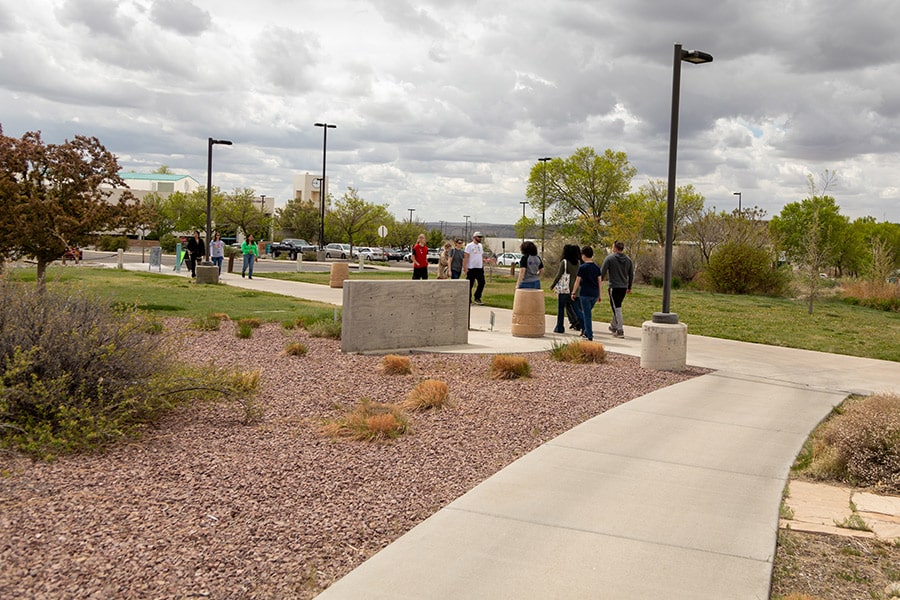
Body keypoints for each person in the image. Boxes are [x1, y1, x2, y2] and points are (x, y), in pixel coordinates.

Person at [600, 240, 635, 338]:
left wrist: (598, 283)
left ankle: (620, 330)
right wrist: (629, 287)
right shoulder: (628, 260)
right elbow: (631, 274)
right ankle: (613, 326)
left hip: (614, 287)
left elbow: (602, 272)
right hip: (623, 287)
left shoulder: (609, 259)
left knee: (617, 309)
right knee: (617, 307)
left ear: (615, 248)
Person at [549, 244, 583, 334]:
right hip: (575, 289)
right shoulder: (578, 262)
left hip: (565, 289)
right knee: (577, 309)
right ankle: (584, 325)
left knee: (561, 309)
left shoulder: (564, 262)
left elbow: (559, 275)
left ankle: (559, 327)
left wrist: (553, 285)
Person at [570, 246, 602, 341]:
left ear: (583, 255)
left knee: (587, 315)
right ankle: (586, 331)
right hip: (594, 294)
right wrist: (600, 294)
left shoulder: (582, 267)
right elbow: (600, 282)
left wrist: (573, 292)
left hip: (585, 294)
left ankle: (589, 334)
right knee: (586, 313)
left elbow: (577, 281)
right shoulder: (596, 268)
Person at [462, 231, 485, 304]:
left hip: (479, 268)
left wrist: (482, 264)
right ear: (474, 237)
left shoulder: (480, 246)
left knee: (482, 282)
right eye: (479, 237)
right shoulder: (469, 246)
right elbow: (466, 257)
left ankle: (477, 297)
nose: (480, 238)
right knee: (470, 284)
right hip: (471, 268)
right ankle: (468, 299)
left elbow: (481, 255)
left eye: (481, 237)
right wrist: (465, 267)